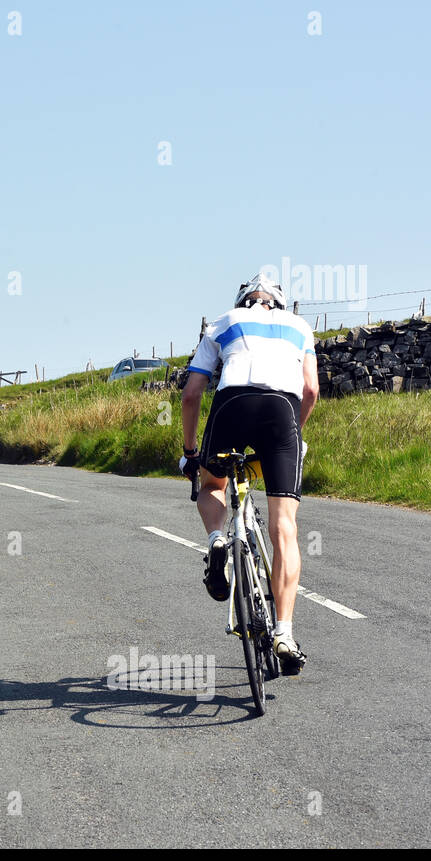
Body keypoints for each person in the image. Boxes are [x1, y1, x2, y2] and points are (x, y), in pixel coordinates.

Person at [179, 273, 319, 673]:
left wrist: (191, 452)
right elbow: (310, 391)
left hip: (231, 405)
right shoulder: (299, 326)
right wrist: (294, 436)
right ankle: (285, 632)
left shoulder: (221, 322)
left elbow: (191, 394)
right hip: (281, 412)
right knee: (284, 528)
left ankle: (218, 540)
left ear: (243, 300)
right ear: (280, 301)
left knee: (213, 484)